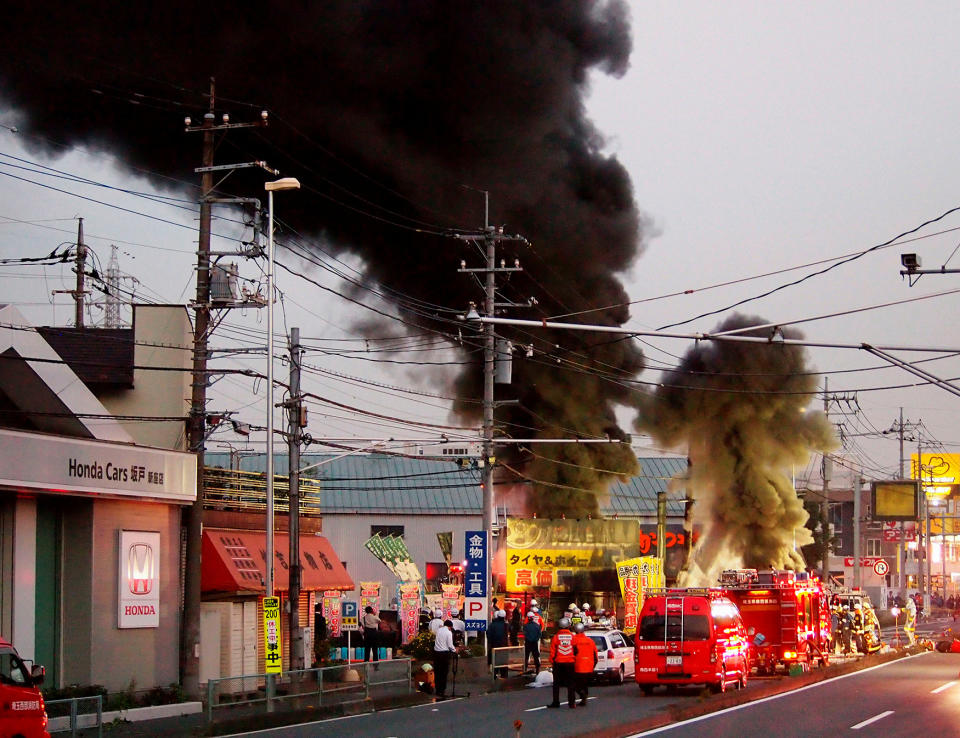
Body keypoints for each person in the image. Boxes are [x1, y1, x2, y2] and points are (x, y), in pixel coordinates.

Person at [547, 617, 577, 709]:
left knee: (556, 684)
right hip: (570, 663)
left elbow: (552, 652)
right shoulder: (572, 637)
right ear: (568, 626)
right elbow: (576, 650)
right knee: (571, 684)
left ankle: (556, 702)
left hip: (558, 663)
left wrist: (552, 662)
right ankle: (571, 703)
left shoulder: (556, 637)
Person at [572, 622, 598, 707]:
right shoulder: (590, 641)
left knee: (574, 684)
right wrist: (592, 666)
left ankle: (581, 695)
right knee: (585, 684)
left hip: (577, 666)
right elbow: (595, 656)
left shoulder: (573, 640)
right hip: (588, 666)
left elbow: (572, 653)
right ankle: (584, 698)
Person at [433, 620, 457, 699]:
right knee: (443, 673)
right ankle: (442, 691)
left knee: (437, 672)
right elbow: (450, 645)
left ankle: (437, 690)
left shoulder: (439, 630)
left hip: (436, 654)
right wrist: (455, 650)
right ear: (450, 627)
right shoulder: (448, 632)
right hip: (444, 654)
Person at [487, 609, 509, 678]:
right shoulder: (506, 625)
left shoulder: (492, 625)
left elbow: (488, 634)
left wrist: (491, 642)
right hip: (504, 647)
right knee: (503, 663)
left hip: (494, 646)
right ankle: (504, 677)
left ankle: (495, 676)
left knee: (495, 662)